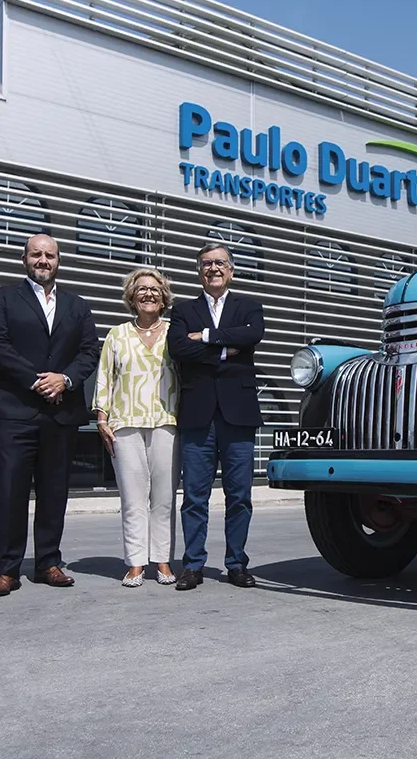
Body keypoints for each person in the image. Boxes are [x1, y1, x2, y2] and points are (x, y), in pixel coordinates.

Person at [0, 233, 101, 597]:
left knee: (54, 493)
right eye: (36, 254)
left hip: (60, 414)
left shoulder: (77, 306)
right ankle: (6, 569)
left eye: (50, 255)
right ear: (24, 259)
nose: (43, 260)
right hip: (13, 413)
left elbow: (89, 352)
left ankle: (48, 562)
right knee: (10, 493)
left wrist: (65, 379)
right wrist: (38, 381)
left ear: (58, 261)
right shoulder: (2, 298)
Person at [166, 242, 265, 591]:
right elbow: (178, 348)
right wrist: (224, 351)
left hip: (239, 415)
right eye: (206, 263)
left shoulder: (249, 307)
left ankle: (236, 563)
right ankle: (193, 565)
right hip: (198, 414)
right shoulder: (183, 310)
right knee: (195, 496)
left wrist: (206, 337)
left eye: (220, 263)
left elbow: (252, 335)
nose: (213, 268)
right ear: (199, 271)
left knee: (240, 496)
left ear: (231, 270)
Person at [93, 268, 181, 587]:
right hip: (125, 422)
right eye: (141, 289)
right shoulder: (117, 335)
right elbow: (105, 377)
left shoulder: (175, 333)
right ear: (131, 296)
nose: (148, 294)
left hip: (167, 421)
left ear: (164, 298)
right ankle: (135, 562)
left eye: (155, 289)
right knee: (132, 498)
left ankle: (162, 560)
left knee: (164, 498)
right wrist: (101, 418)